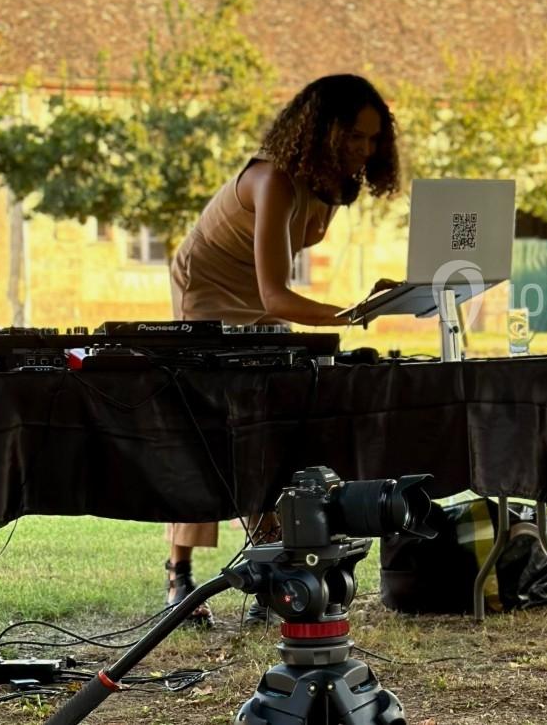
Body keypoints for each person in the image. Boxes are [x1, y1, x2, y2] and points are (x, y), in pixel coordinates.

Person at [164, 73, 401, 627]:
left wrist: (363, 306)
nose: (365, 150)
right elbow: (276, 294)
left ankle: (268, 563)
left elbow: (271, 294)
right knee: (211, 428)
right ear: (322, 131)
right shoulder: (273, 179)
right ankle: (179, 573)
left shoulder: (332, 185)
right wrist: (353, 313)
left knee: (273, 420)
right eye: (355, 137)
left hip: (260, 297)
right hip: (209, 290)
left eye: (373, 139)